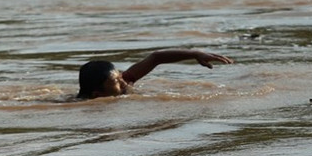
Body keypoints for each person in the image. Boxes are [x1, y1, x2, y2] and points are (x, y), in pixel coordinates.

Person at [77, 49, 233, 99]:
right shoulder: (87, 106)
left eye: (120, 77)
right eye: (117, 82)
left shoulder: (123, 84)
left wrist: (195, 54)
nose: (124, 82)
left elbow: (155, 58)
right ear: (98, 95)